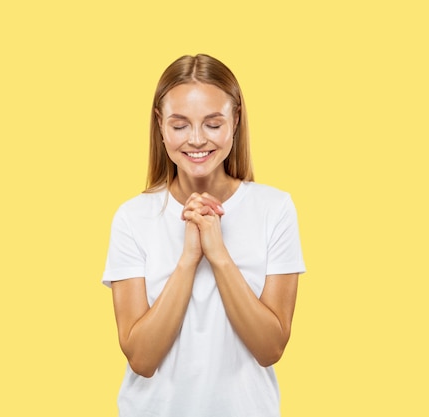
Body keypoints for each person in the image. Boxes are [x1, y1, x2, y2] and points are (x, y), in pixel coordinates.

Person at [102, 53, 306, 417]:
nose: (196, 140)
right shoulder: (132, 218)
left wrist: (219, 255)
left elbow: (270, 347)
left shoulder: (275, 209)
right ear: (160, 125)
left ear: (236, 120)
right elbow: (142, 359)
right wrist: (188, 258)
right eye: (180, 125)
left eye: (213, 124)